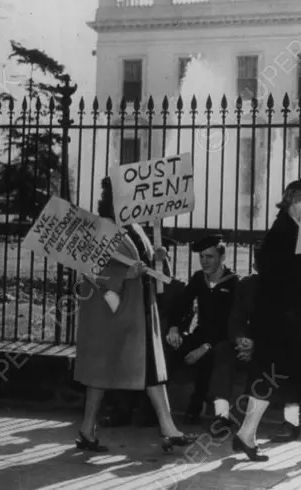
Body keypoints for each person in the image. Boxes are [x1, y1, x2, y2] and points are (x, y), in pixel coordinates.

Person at [72, 177, 190, 453]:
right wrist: (125, 274)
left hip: (138, 313)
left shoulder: (135, 228)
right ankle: (89, 430)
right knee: (103, 374)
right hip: (115, 314)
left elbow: (147, 268)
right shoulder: (101, 231)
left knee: (148, 368)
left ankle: (166, 428)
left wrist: (158, 257)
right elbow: (90, 274)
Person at [232, 178, 301, 464]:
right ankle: (247, 435)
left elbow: (299, 275)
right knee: (273, 378)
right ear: (293, 202)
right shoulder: (281, 232)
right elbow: (272, 277)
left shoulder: (300, 230)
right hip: (282, 323)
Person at [165, 234, 239, 426]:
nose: (205, 261)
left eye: (210, 256)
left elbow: (230, 324)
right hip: (201, 334)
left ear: (222, 257)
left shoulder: (233, 283)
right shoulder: (199, 278)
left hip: (223, 339)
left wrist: (205, 347)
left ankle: (196, 408)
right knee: (171, 350)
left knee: (208, 358)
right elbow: (182, 305)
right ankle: (157, 409)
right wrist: (174, 328)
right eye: (202, 257)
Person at [227, 254, 301, 442]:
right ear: (255, 266)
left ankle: (291, 423)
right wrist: (241, 340)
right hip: (254, 342)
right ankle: (242, 426)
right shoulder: (247, 286)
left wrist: (257, 346)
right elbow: (237, 317)